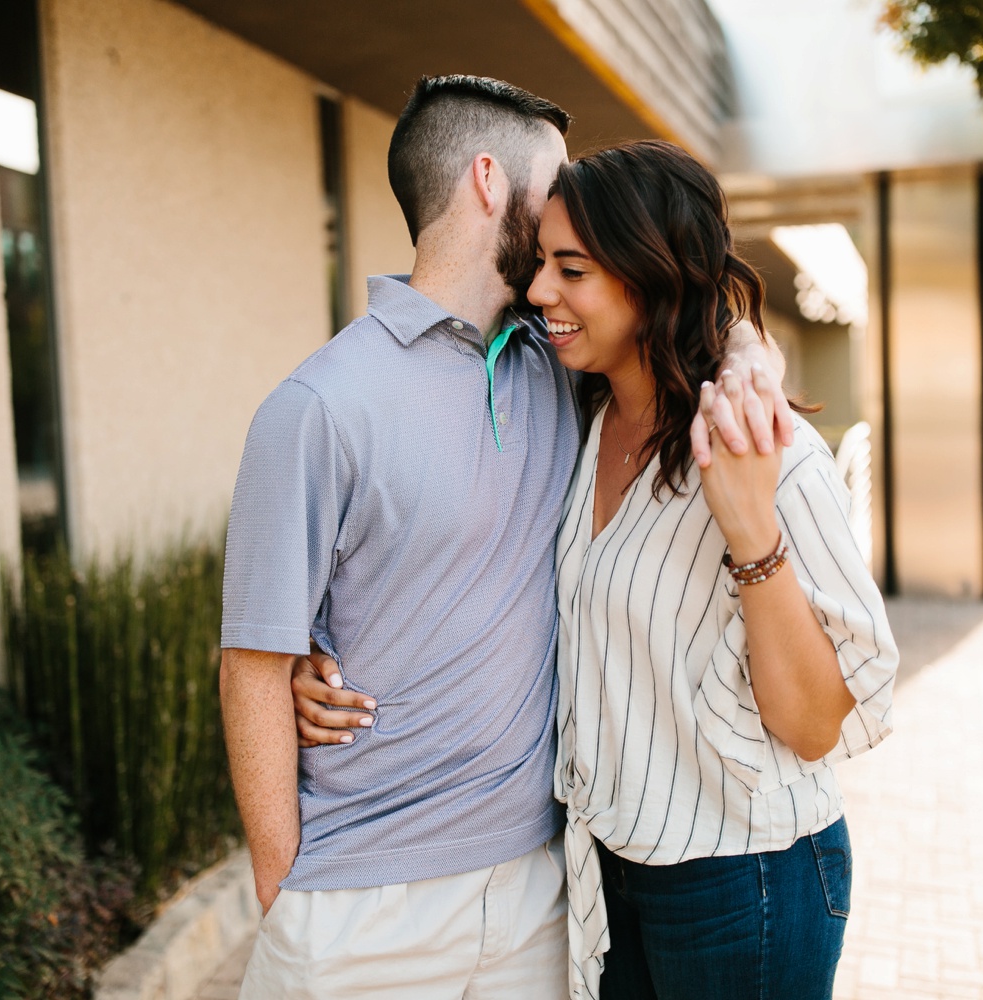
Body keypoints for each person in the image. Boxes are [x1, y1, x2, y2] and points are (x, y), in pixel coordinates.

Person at [220, 76, 788, 999]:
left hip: (541, 888)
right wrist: (282, 886)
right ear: (490, 180)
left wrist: (750, 350)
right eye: (554, 182)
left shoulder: (561, 361)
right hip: (361, 905)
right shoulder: (319, 406)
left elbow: (675, 316)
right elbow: (252, 658)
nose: (573, 213)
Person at [529, 141, 898, 999]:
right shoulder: (581, 427)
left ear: (650, 275)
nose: (541, 291)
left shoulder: (771, 454)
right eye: (540, 264)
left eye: (571, 269)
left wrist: (749, 531)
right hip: (609, 868)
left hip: (746, 881)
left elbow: (814, 726)